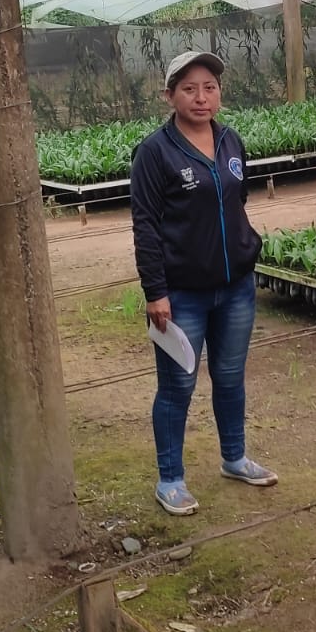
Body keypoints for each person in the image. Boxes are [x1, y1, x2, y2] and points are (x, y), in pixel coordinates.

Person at [130, 51, 278, 516]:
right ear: (169, 95)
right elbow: (145, 227)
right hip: (181, 297)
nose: (201, 97)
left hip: (235, 289)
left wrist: (244, 248)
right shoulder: (154, 152)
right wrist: (156, 292)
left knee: (230, 377)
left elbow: (238, 200)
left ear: (219, 93)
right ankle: (170, 479)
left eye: (209, 87)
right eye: (189, 89)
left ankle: (234, 458)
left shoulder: (231, 140)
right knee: (177, 386)